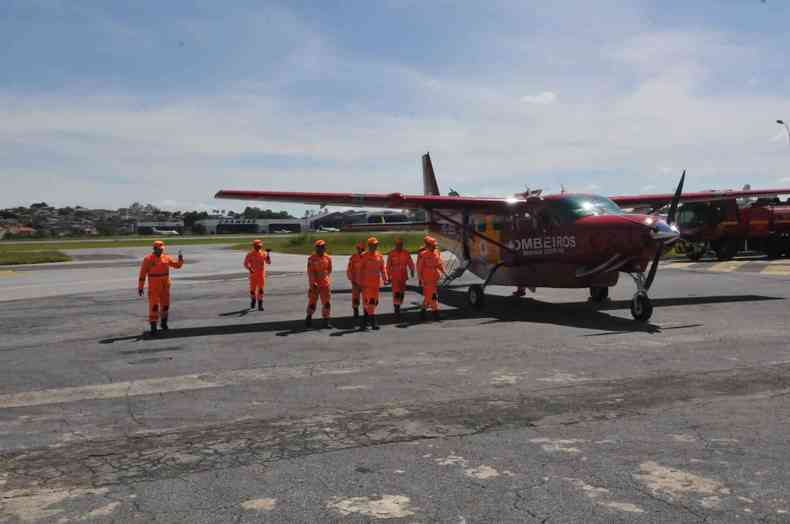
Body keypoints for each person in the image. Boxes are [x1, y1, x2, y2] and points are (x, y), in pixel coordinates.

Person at [138, 240, 184, 335]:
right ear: (154, 249)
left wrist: (180, 259)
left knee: (165, 305)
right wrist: (140, 287)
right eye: (159, 249)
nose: (161, 250)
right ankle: (153, 326)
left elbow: (177, 266)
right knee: (154, 306)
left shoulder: (166, 258)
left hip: (165, 286)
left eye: (162, 249)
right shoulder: (148, 259)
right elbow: (142, 274)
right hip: (154, 287)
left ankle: (164, 323)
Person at [357, 237, 388, 330]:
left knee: (373, 303)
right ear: (369, 245)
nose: (375, 246)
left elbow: (383, 268)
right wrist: (359, 283)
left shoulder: (379, 256)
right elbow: (360, 270)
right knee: (370, 302)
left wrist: (385, 279)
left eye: (376, 244)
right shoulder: (364, 256)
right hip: (367, 284)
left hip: (376, 283)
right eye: (373, 245)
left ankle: (364, 323)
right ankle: (373, 323)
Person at [416, 235, 446, 321]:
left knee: (429, 296)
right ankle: (435, 313)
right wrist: (420, 279)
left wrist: (445, 272)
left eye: (435, 245)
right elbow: (419, 268)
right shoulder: (422, 254)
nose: (435, 247)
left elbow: (439, 264)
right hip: (426, 279)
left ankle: (422, 312)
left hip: (434, 278)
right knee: (433, 296)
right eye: (433, 245)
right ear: (428, 245)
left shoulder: (436, 252)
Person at [306, 239, 333, 328]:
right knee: (312, 303)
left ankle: (326, 321)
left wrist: (326, 279)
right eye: (319, 247)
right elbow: (310, 272)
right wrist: (313, 283)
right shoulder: (311, 259)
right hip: (315, 285)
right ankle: (309, 318)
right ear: (316, 248)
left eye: (323, 247)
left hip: (325, 284)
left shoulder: (328, 258)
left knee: (327, 303)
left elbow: (329, 270)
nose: (321, 248)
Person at [386, 238, 415, 319]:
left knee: (402, 293)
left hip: (403, 275)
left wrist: (412, 269)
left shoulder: (406, 253)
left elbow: (410, 262)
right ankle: (396, 308)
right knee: (396, 292)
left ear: (402, 245)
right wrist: (388, 276)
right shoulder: (391, 253)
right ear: (395, 245)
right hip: (395, 275)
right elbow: (388, 266)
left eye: (400, 244)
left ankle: (399, 304)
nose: (399, 246)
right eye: (398, 245)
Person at [244, 239, 271, 311]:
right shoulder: (250, 254)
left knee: (261, 290)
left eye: (259, 246)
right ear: (254, 246)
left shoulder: (264, 253)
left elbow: (268, 262)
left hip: (261, 275)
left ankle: (260, 304)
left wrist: (268, 254)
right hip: (253, 275)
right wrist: (250, 269)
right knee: (252, 290)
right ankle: (253, 300)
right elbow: (245, 263)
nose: (258, 247)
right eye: (257, 246)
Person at [346, 241, 366, 318]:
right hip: (355, 282)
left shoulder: (367, 257)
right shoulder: (353, 257)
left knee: (366, 299)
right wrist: (352, 280)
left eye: (362, 249)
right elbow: (349, 270)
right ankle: (355, 312)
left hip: (365, 282)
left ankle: (366, 314)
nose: (360, 250)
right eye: (359, 248)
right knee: (355, 299)